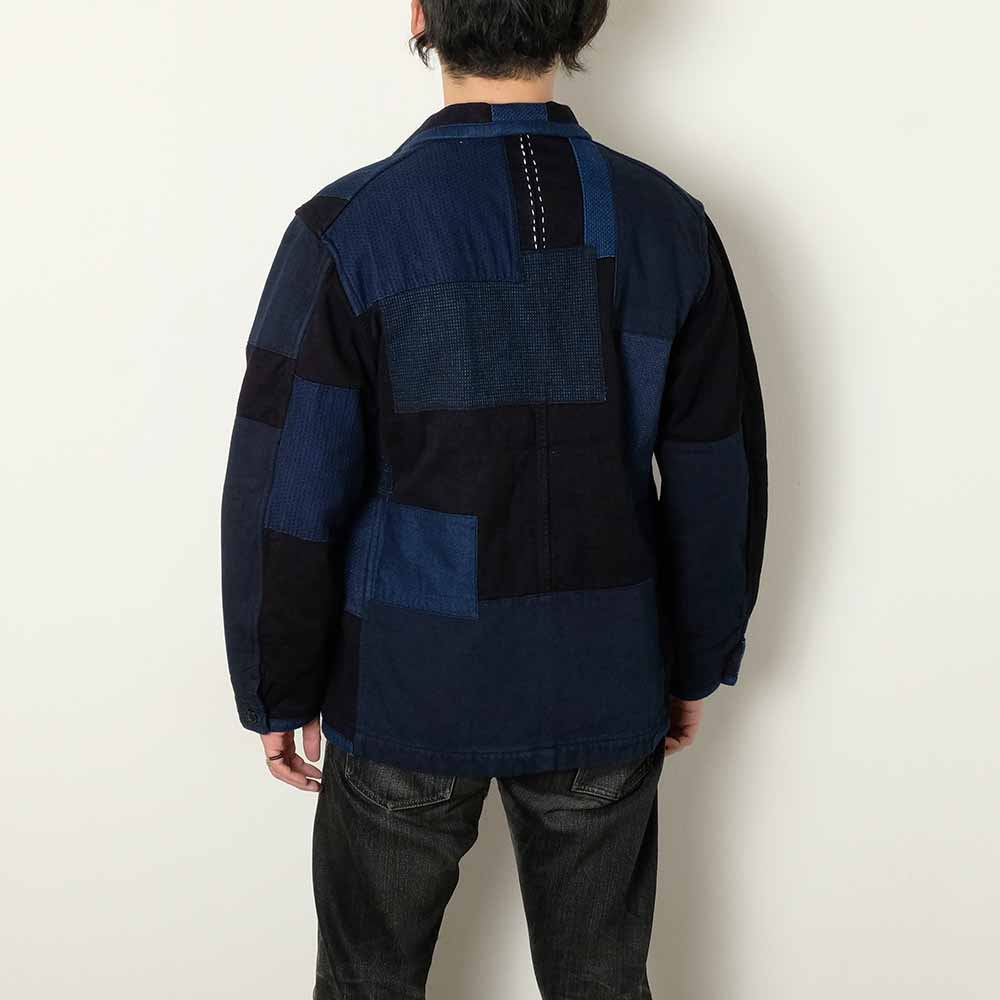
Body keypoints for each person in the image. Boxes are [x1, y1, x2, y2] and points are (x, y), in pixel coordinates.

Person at [220, 2, 767, 996]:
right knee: (602, 982)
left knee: (366, 984)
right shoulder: (668, 224)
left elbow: (287, 486)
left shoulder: (351, 228)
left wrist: (277, 681)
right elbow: (713, 472)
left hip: (408, 680)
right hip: (605, 670)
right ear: (585, 17)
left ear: (421, 14)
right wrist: (695, 654)